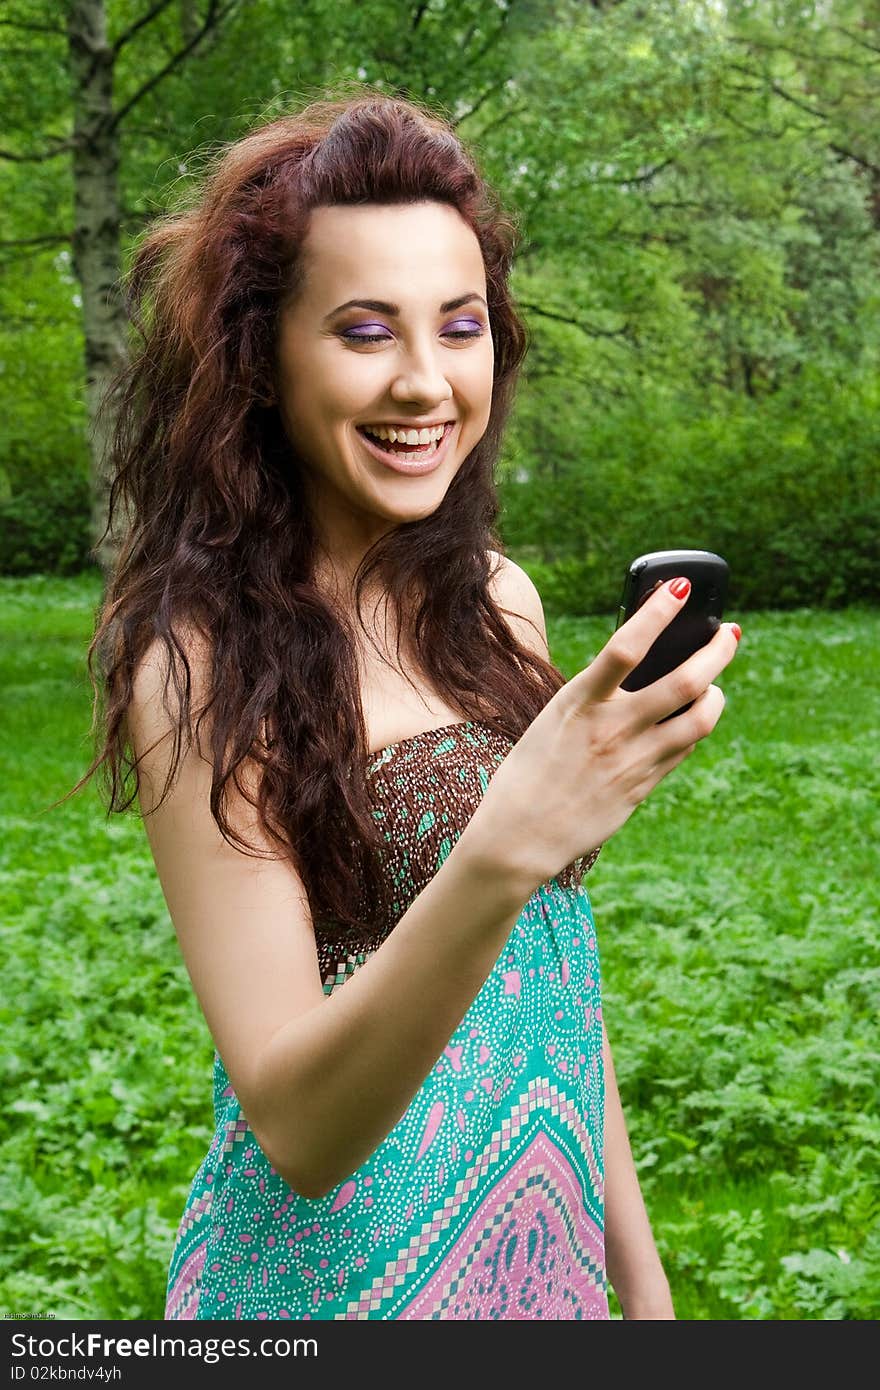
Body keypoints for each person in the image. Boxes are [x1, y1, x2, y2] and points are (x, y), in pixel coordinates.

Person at [76, 90, 740, 1321]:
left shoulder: (497, 601)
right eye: (366, 331)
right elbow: (296, 1126)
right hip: (334, 1292)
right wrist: (503, 843)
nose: (427, 383)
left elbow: (553, 964)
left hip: (539, 1266)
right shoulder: (195, 659)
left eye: (462, 325)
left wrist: (639, 1291)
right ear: (262, 357)